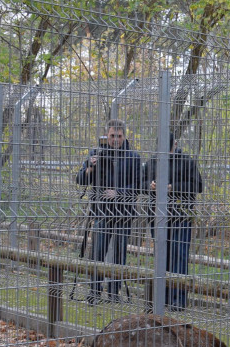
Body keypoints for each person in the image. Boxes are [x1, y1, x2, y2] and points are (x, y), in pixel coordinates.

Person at [76, 119, 143, 303]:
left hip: (123, 213)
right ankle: (94, 293)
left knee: (119, 256)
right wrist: (90, 167)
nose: (115, 140)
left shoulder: (133, 157)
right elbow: (81, 180)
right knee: (98, 253)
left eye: (119, 136)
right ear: (107, 135)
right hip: (101, 211)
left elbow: (140, 185)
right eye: (112, 136)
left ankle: (114, 294)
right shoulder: (96, 154)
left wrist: (119, 193)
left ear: (124, 136)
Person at [142, 132, 203, 310]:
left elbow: (198, 185)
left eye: (167, 149)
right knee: (162, 257)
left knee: (179, 256)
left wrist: (173, 188)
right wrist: (150, 186)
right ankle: (164, 298)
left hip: (180, 216)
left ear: (174, 145)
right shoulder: (152, 162)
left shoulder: (187, 161)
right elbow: (141, 183)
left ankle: (179, 300)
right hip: (157, 216)